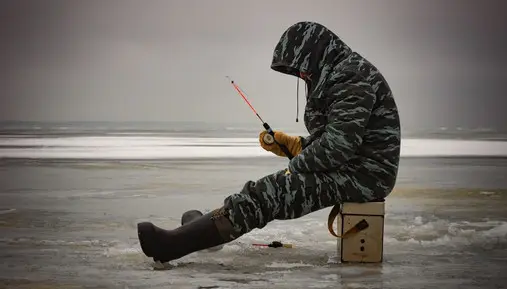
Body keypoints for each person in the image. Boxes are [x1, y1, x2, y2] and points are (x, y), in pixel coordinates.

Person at [137, 21, 401, 263]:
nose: (303, 77)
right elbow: (336, 140)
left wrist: (296, 165)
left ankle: (172, 245)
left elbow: (338, 148)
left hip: (365, 176)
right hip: (355, 168)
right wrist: (294, 144)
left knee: (270, 192)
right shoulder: (342, 72)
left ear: (314, 54)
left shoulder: (350, 77)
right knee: (267, 189)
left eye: (303, 70)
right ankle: (204, 232)